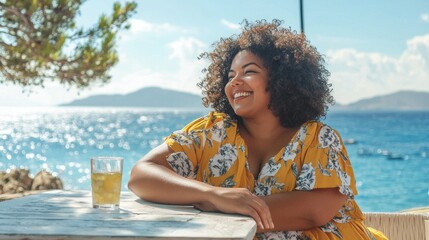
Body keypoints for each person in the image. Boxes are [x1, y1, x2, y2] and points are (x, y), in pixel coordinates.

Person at [128, 19, 387, 240]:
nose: (235, 81)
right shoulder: (212, 131)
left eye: (249, 71)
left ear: (281, 80)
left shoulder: (318, 139)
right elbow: (141, 175)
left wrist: (221, 207)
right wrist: (214, 195)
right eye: (230, 75)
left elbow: (314, 211)